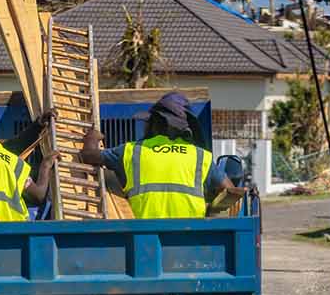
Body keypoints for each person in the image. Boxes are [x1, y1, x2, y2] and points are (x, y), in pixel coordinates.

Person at [78, 91, 239, 218]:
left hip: (140, 237)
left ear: (155, 124)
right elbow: (230, 192)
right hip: (190, 237)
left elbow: (89, 155)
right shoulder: (200, 157)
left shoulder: (132, 151)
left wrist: (93, 137)